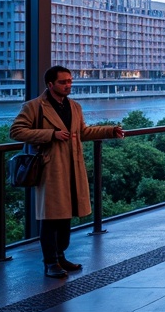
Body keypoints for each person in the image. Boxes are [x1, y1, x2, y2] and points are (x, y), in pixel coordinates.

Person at [11, 65, 124, 279]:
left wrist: (110, 130)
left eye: (70, 81)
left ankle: (60, 256)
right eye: (63, 82)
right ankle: (50, 262)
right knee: (50, 217)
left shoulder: (74, 107)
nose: (68, 85)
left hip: (72, 166)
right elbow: (16, 131)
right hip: (50, 169)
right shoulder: (34, 107)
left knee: (65, 216)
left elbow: (82, 132)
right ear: (50, 84)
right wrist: (51, 134)